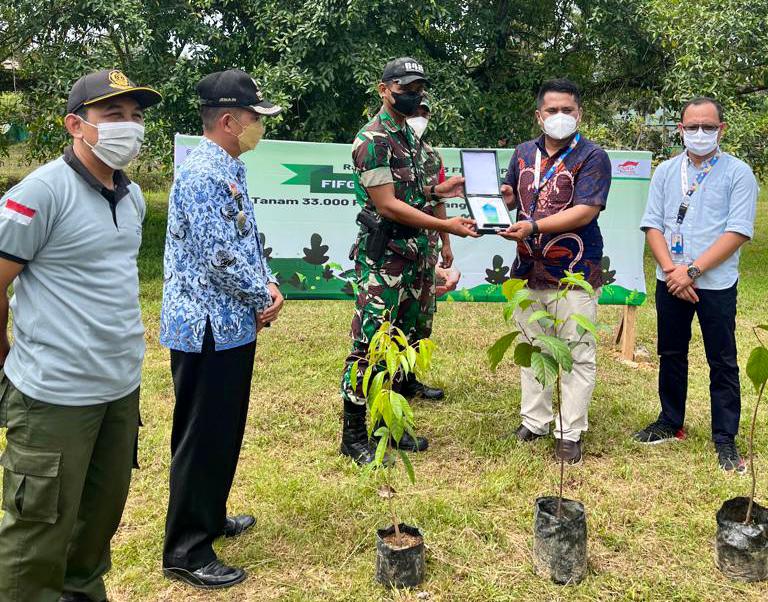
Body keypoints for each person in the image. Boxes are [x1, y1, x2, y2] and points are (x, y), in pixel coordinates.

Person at [0, 69, 161, 602]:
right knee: (35, 540)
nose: (129, 128)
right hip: (53, 399)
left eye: (136, 116)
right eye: (113, 116)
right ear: (77, 125)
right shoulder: (40, 192)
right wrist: (8, 361)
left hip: (118, 392)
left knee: (95, 530)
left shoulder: (132, 196)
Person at [159, 69, 285, 589]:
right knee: (202, 435)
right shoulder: (204, 174)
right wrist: (263, 295)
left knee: (222, 430)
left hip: (230, 325)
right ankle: (187, 549)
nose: (261, 127)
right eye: (256, 118)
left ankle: (210, 517)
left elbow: (246, 241)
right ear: (229, 120)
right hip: (207, 328)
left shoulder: (228, 166)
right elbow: (219, 259)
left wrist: (270, 282)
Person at [339, 57, 478, 465]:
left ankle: (390, 426)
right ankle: (353, 434)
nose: (413, 94)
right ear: (384, 89)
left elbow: (415, 195)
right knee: (368, 346)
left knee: (401, 343)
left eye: (418, 87)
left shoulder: (412, 140)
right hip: (385, 258)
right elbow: (389, 206)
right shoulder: (373, 139)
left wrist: (440, 191)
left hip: (416, 256)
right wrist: (448, 225)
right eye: (404, 86)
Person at [633, 97, 758, 473]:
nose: (699, 133)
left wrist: (694, 271)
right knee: (671, 352)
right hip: (670, 279)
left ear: (721, 129)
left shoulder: (738, 173)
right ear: (680, 129)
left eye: (708, 127)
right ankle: (670, 421)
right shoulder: (667, 172)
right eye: (692, 127)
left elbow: (737, 231)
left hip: (715, 282)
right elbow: (652, 224)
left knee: (721, 359)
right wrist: (673, 271)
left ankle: (725, 437)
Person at [499, 78, 612, 465]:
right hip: (528, 267)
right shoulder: (522, 152)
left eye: (568, 110)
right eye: (552, 110)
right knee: (535, 347)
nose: (560, 117)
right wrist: (502, 198)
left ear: (579, 114)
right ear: (538, 115)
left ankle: (570, 431)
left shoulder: (593, 156)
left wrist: (533, 226)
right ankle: (535, 420)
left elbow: (586, 211)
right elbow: (511, 193)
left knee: (577, 349)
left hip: (575, 271)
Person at [406, 97, 457, 400]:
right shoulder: (386, 148)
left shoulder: (432, 157)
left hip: (428, 246)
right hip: (397, 246)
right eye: (414, 111)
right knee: (396, 317)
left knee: (422, 316)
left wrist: (446, 241)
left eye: (424, 112)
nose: (419, 117)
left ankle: (409, 378)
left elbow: (438, 201)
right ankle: (390, 380)